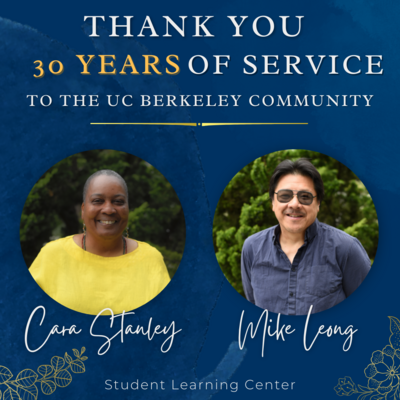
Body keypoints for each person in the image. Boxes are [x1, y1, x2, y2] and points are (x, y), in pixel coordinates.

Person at [29, 169, 170, 315]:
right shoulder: (52, 256)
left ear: (128, 209)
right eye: (98, 201)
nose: (108, 209)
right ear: (83, 210)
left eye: (118, 201)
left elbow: (166, 320)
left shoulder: (150, 259)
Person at [241, 159, 371, 315]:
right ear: (273, 203)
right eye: (285, 196)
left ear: (318, 204)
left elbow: (369, 310)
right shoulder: (252, 248)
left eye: (305, 196)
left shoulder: (346, 249)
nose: (295, 204)